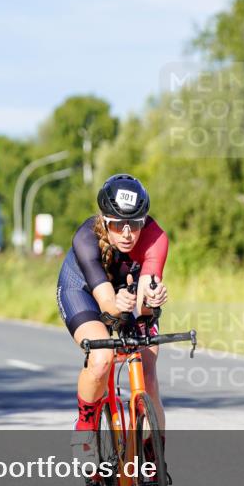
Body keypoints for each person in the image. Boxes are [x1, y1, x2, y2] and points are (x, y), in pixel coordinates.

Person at [56, 175, 170, 463]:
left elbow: (146, 295)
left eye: (136, 223)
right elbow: (107, 303)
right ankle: (85, 427)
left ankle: (154, 462)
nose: (128, 233)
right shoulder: (86, 239)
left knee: (148, 374)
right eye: (118, 223)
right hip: (84, 292)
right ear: (105, 220)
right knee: (102, 358)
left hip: (126, 292)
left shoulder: (156, 238)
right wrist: (117, 306)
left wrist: (151, 300)